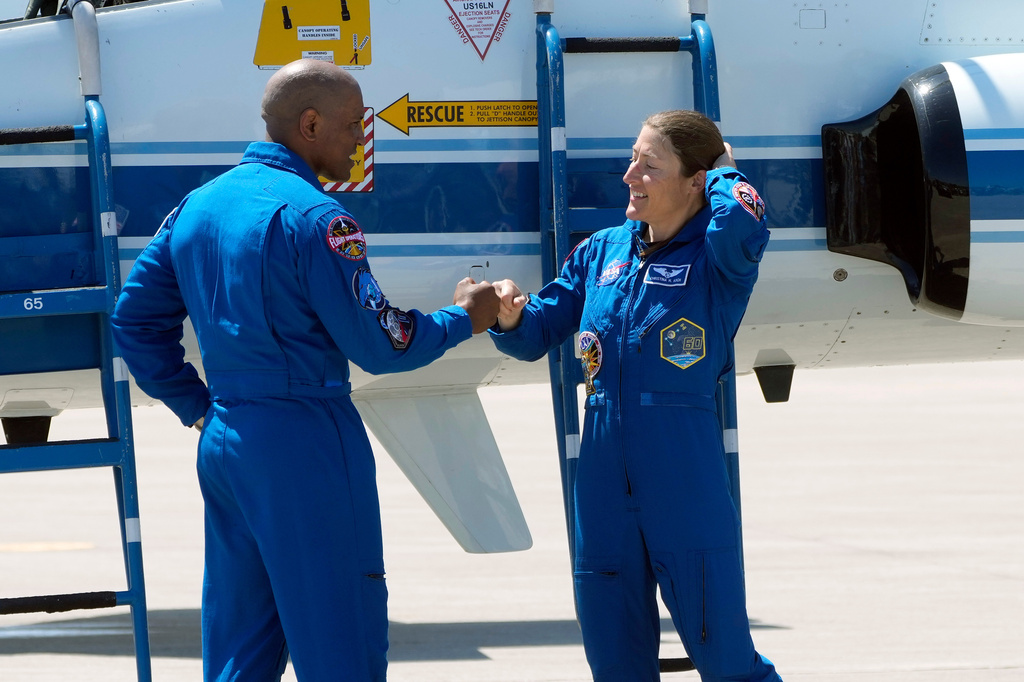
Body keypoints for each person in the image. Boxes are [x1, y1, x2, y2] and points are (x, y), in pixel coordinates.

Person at [111, 59, 499, 681]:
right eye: (352, 124)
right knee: (341, 643)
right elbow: (381, 344)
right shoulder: (319, 220)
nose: (361, 137)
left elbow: (133, 323)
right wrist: (464, 317)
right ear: (310, 124)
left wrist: (199, 407)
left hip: (228, 441)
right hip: (306, 442)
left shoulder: (196, 207)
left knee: (241, 651)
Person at [490, 110, 782, 681]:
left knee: (727, 663)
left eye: (650, 166)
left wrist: (720, 167)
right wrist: (508, 316)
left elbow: (744, 216)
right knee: (615, 666)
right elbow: (539, 330)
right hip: (600, 492)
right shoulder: (602, 252)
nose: (629, 176)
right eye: (632, 159)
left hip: (684, 486)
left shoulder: (720, 259)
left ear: (696, 180)